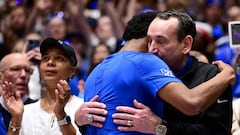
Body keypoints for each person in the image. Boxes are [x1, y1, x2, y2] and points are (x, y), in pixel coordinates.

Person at [77, 11, 235, 135]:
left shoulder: (212, 76)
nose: (151, 49)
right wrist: (80, 119)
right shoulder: (140, 66)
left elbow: (217, 132)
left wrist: (161, 128)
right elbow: (106, 122)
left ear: (186, 44)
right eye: (149, 41)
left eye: (161, 41)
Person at [2, 38, 83, 135]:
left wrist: (60, 114)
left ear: (72, 71)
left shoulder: (81, 108)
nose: (50, 62)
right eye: (45, 58)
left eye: (59, 58)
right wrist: (16, 118)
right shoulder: (25, 111)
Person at [0, 53, 37, 133]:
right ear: (0, 76)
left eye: (27, 70)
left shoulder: (38, 109)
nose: (23, 75)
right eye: (16, 69)